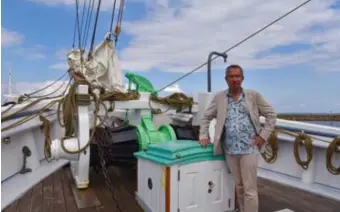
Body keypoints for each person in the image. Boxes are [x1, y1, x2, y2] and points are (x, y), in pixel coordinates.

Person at [199, 64, 277, 212]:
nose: (235, 79)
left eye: (237, 76)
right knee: (239, 187)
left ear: (242, 78)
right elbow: (206, 117)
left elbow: (271, 115)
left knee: (250, 189)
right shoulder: (220, 98)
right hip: (230, 150)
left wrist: (263, 135)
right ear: (226, 79)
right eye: (231, 76)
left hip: (249, 149)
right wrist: (203, 135)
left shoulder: (253, 95)